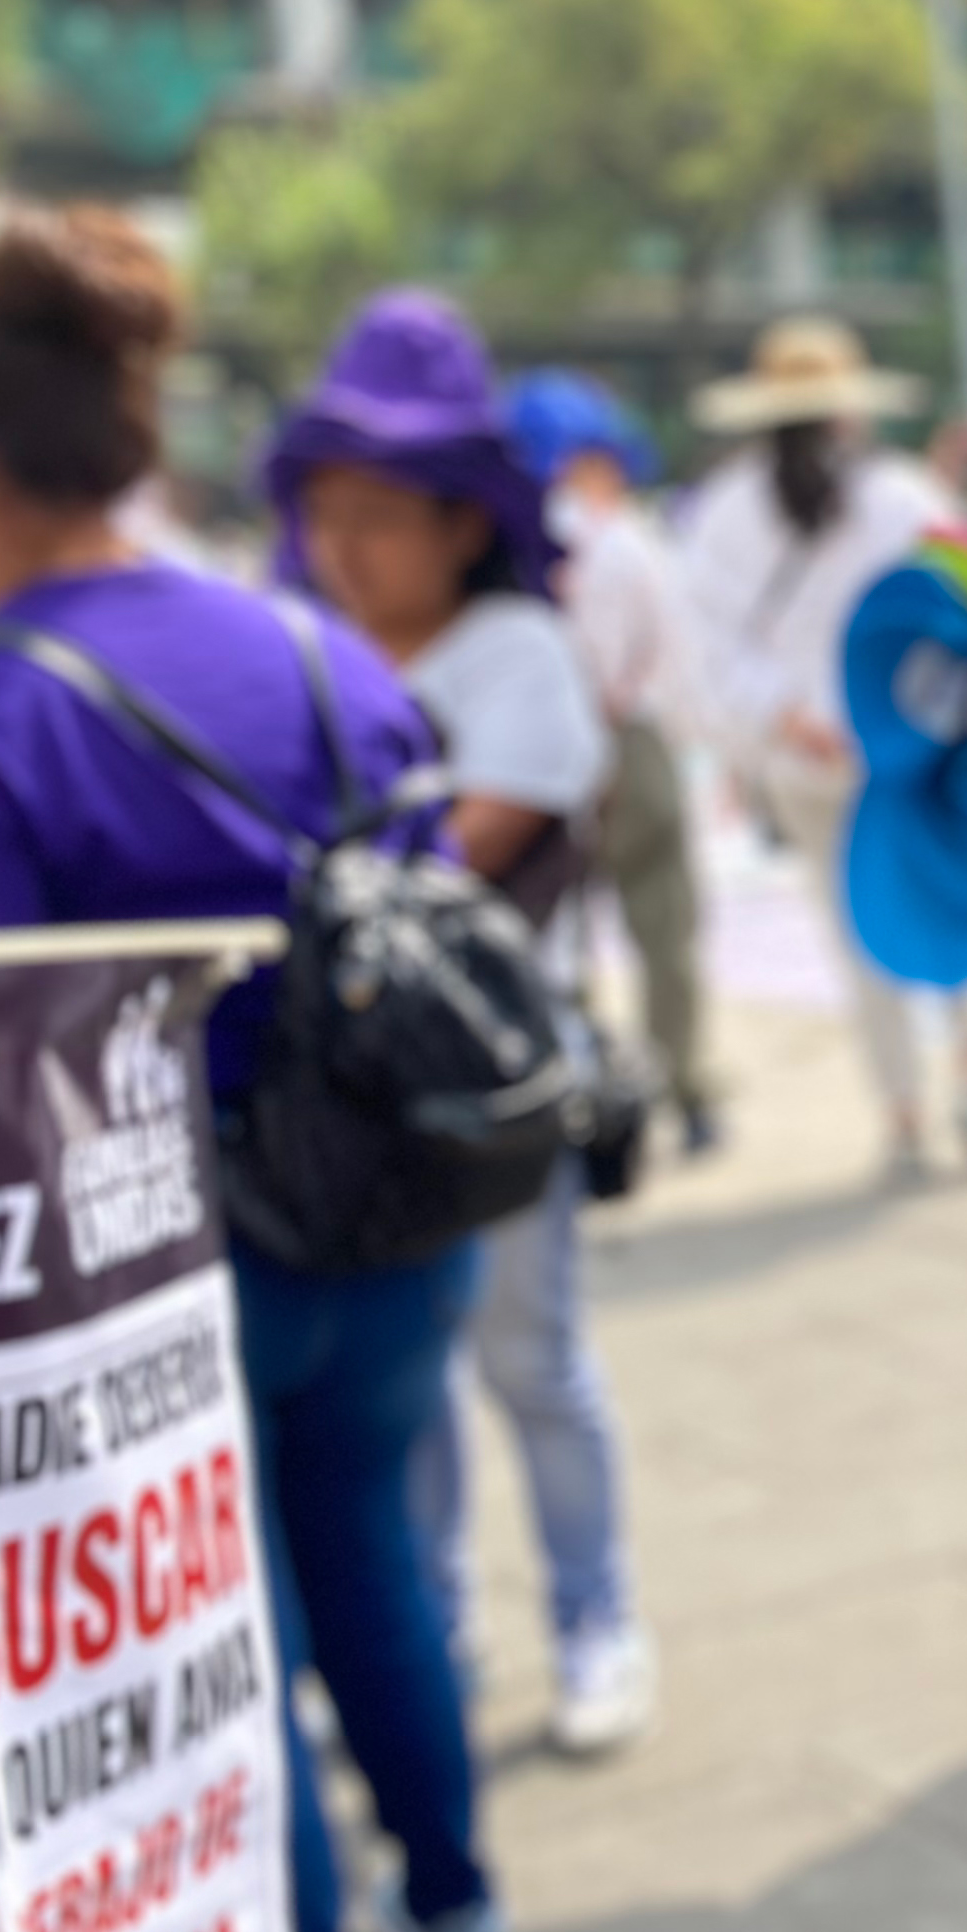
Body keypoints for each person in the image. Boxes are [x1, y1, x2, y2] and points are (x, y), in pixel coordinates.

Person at [0, 218, 530, 1932]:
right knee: (370, 1542)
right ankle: (457, 1916)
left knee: (233, 1653)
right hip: (399, 1213)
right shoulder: (309, 644)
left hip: (175, 1252)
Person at [272, 295, 658, 1762]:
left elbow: (446, 867)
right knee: (403, 1382)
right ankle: (430, 1629)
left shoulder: (519, 653)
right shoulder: (303, 645)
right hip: (345, 1102)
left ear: (460, 521)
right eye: (327, 510)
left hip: (486, 1085)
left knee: (529, 1359)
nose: (347, 543)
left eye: (382, 512)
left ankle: (595, 1617)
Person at [677, 315, 967, 1182]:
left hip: (810, 762)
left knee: (857, 931)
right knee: (941, 908)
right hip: (902, 756)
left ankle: (904, 1113)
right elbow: (958, 617)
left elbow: (709, 647)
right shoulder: (903, 496)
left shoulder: (726, 514)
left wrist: (786, 717)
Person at [510, 368, 719, 1154]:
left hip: (538, 747)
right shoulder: (628, 539)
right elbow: (674, 654)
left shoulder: (511, 538)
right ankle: (683, 1091)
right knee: (663, 930)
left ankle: (580, 1097)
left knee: (560, 935)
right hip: (630, 738)